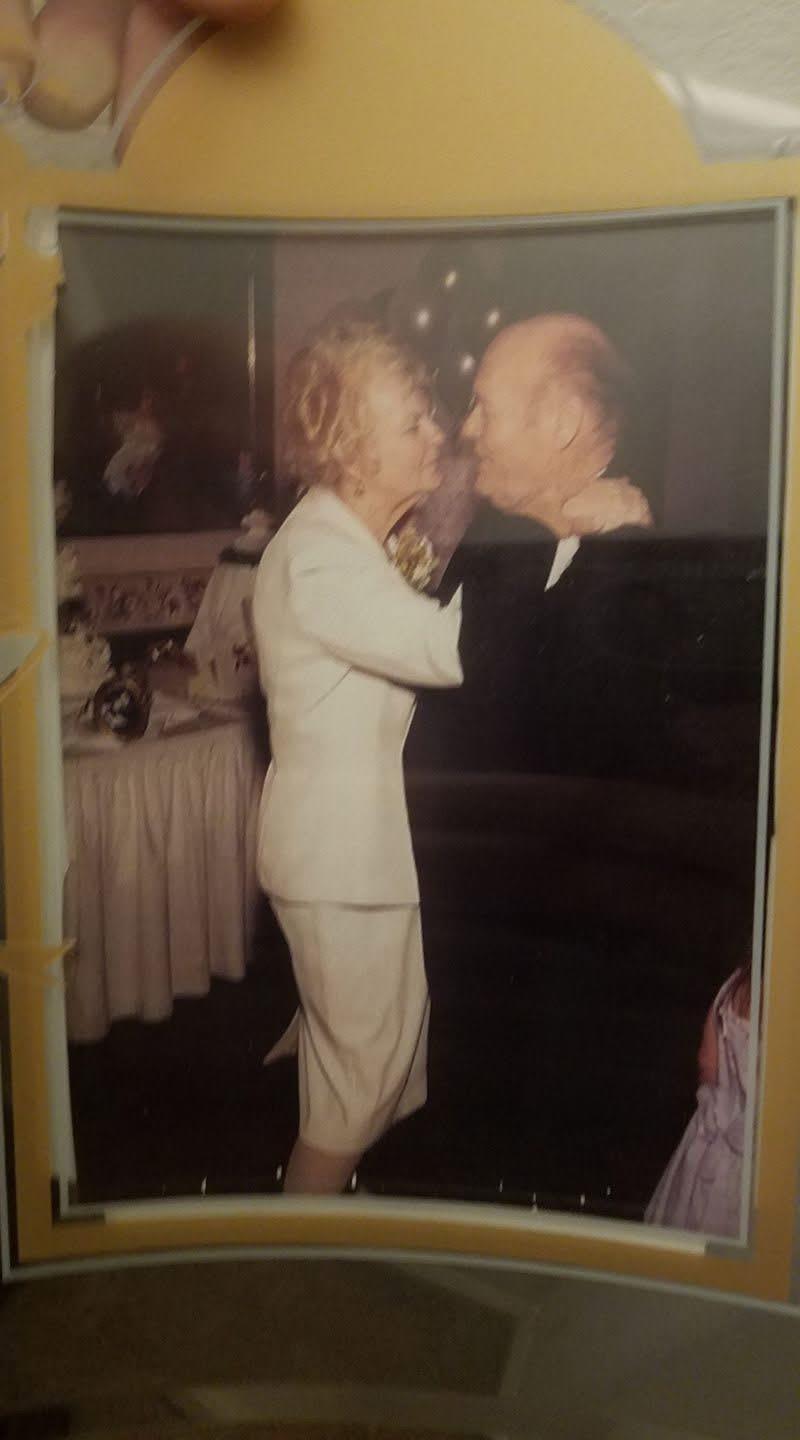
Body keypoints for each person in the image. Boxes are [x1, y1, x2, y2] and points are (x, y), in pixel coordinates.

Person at [250, 320, 463, 1195]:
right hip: (340, 863)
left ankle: (327, 1199)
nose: (439, 434)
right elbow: (449, 651)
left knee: (362, 1061)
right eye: (414, 421)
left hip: (349, 855)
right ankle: (295, 1247)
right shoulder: (321, 561)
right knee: (360, 1078)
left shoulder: (350, 542)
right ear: (351, 448)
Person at [407, 313, 662, 780]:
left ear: (563, 423)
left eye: (486, 408)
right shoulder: (497, 537)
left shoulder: (643, 572)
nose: (467, 428)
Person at [645, 962, 752, 1236]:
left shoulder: (734, 986)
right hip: (748, 1160)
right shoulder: (783, 995)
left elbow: (707, 1063)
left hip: (710, 1143)